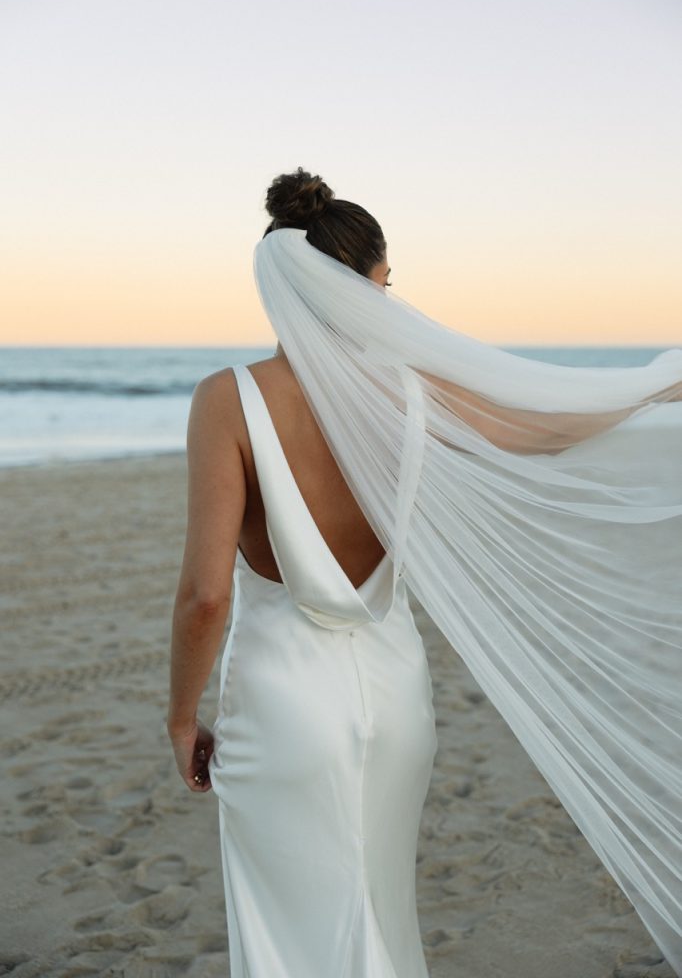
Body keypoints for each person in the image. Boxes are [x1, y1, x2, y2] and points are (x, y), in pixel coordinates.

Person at [168, 168, 682, 977]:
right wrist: (651, 392)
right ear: (357, 289)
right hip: (397, 697)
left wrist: (179, 716)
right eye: (383, 285)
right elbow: (544, 429)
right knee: (378, 907)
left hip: (282, 706)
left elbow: (205, 595)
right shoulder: (408, 395)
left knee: (291, 927)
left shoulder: (226, 401)